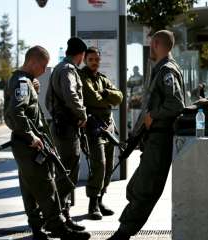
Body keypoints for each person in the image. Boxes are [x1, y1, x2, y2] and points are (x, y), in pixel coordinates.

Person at [4, 46, 90, 240]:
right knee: (46, 185)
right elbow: (17, 112)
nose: (44, 71)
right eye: (43, 66)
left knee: (29, 188)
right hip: (30, 144)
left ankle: (37, 229)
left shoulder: (19, 80)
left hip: (24, 143)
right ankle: (59, 229)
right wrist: (30, 136)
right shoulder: (22, 82)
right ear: (33, 62)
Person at [108, 30, 185, 240]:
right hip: (153, 140)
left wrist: (153, 115)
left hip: (160, 139)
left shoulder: (167, 70)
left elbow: (176, 104)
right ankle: (125, 228)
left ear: (157, 44)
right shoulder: (161, 69)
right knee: (135, 187)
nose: (149, 48)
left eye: (151, 44)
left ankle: (123, 234)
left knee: (144, 189)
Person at [45, 37, 87, 231]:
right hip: (66, 129)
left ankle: (62, 217)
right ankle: (58, 219)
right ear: (80, 55)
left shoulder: (59, 68)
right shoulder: (68, 70)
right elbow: (71, 95)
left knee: (65, 172)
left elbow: (48, 101)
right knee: (67, 174)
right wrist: (81, 114)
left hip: (62, 126)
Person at [80, 46, 123, 220]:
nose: (94, 63)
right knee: (99, 164)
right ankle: (92, 204)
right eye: (91, 60)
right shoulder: (83, 77)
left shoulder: (102, 78)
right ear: (85, 60)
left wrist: (105, 93)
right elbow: (92, 98)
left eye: (97, 60)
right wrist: (107, 99)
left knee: (109, 166)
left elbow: (119, 96)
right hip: (94, 127)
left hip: (108, 127)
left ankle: (100, 199)